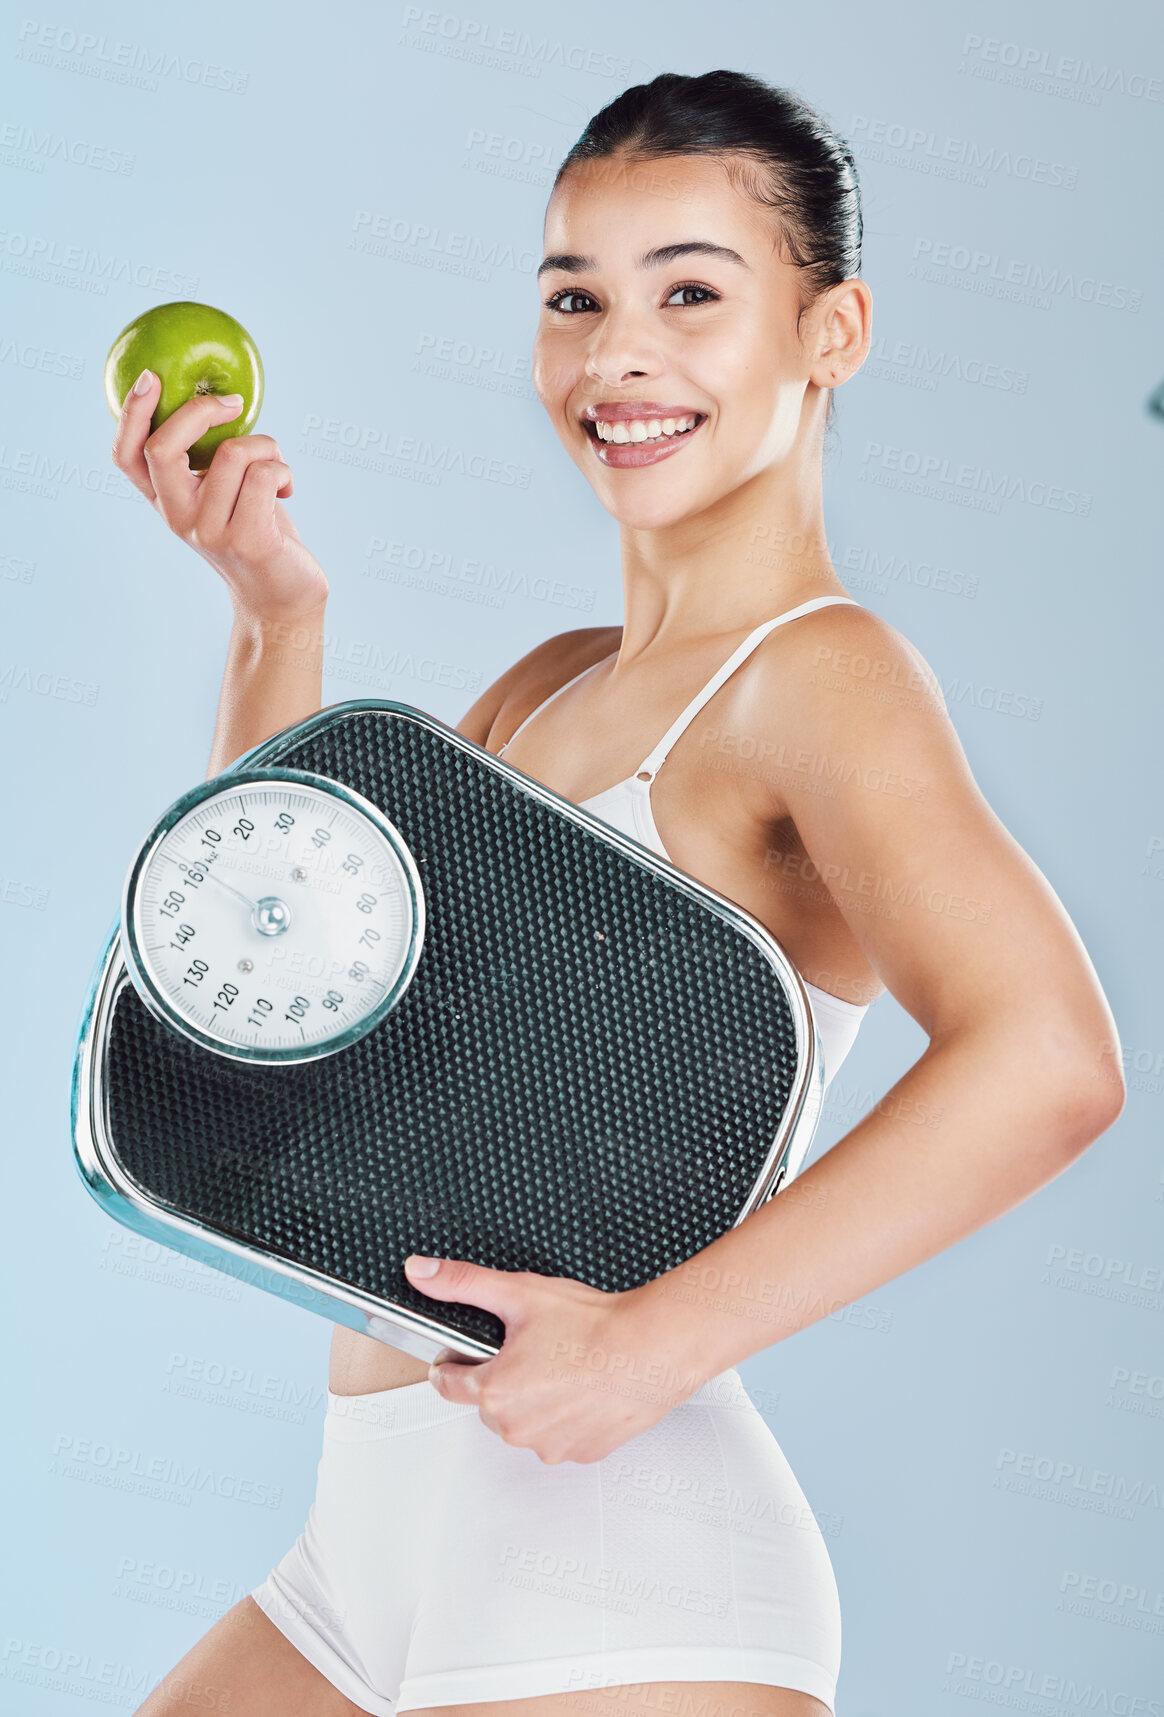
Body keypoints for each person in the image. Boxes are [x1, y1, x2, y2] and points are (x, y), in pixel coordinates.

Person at [112, 68, 1124, 1717]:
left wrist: (654, 1344)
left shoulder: (825, 678)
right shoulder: (547, 687)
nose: (616, 353)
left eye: (692, 295)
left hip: (616, 1574)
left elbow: (1053, 1057)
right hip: (364, 1546)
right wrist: (267, 615)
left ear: (832, 332)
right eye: (573, 296)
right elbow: (285, 1028)